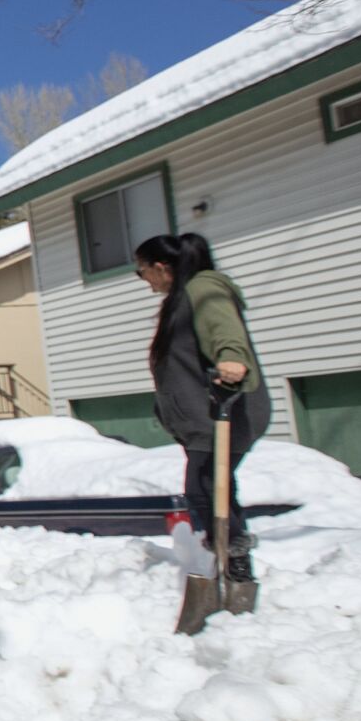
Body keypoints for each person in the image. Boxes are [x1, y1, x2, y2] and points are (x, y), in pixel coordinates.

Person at [136, 233, 271, 585]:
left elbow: (223, 328)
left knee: (205, 488)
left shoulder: (204, 289)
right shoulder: (182, 297)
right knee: (211, 488)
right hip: (202, 418)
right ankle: (230, 562)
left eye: (142, 272)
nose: (144, 280)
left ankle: (236, 566)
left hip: (222, 413)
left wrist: (231, 358)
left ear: (162, 268)